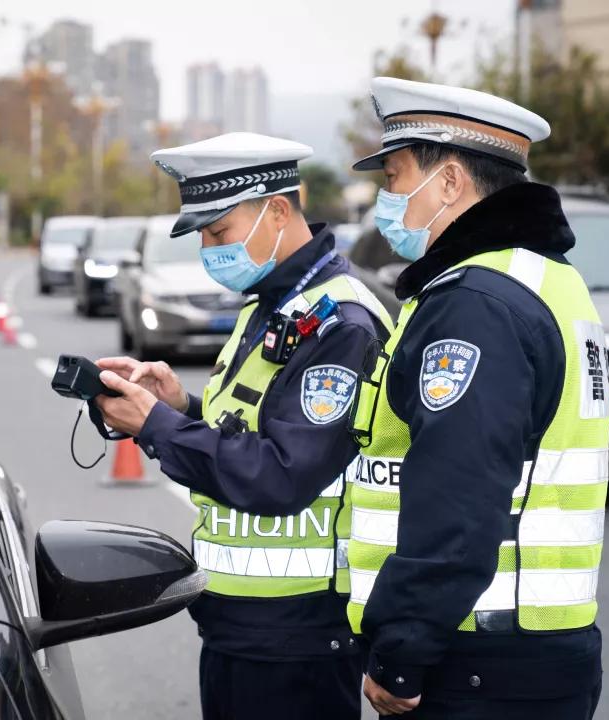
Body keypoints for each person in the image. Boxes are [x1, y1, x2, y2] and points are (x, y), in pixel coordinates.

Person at [94, 132, 393, 720]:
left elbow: (283, 474)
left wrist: (156, 427)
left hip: (299, 634)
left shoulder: (342, 322)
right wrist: (181, 406)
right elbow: (251, 427)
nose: (209, 249)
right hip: (243, 626)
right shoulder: (271, 304)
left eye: (218, 232)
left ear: (278, 210)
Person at [347, 77, 609, 718]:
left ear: (449, 183)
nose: (386, 199)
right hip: (532, 650)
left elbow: (459, 497)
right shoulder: (545, 280)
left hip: (477, 662)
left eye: (395, 176)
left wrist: (401, 652)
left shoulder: (474, 305)